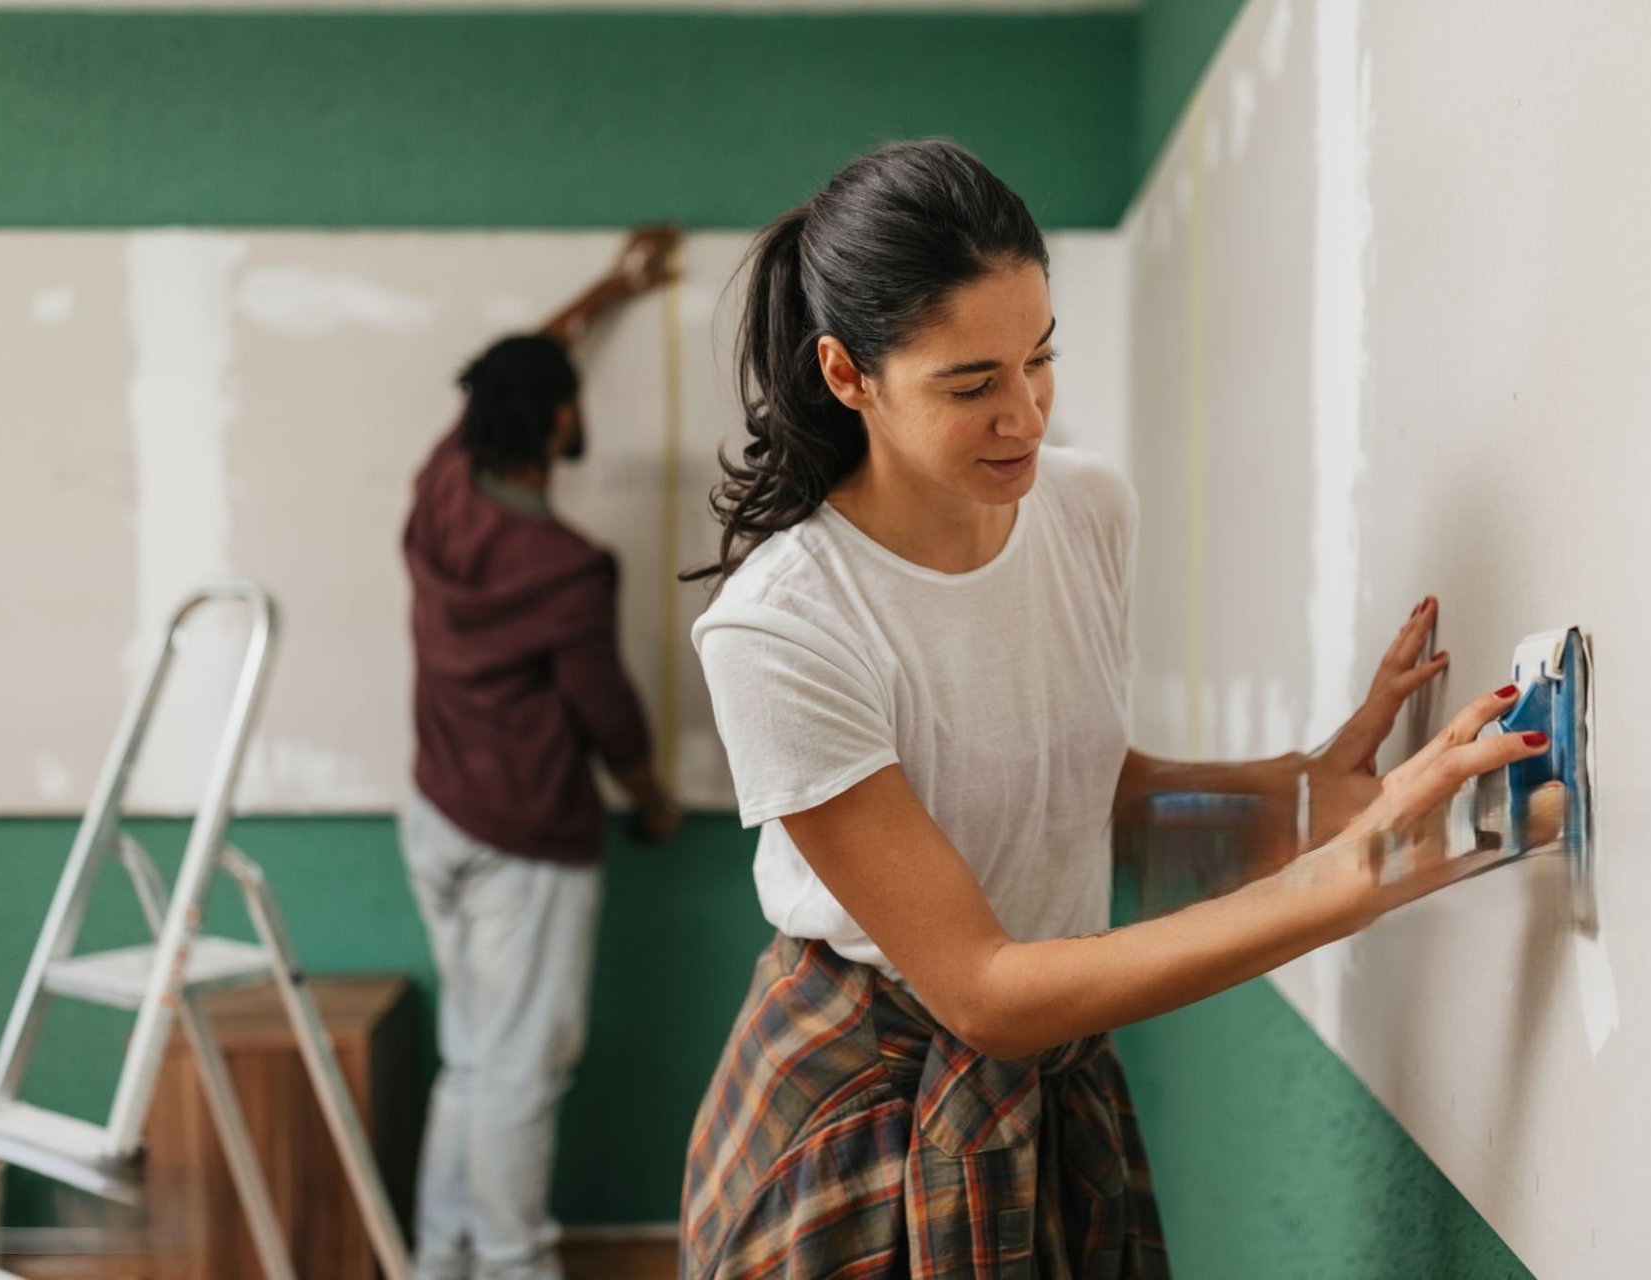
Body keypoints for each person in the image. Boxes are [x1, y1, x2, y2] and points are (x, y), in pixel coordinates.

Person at [678, 141, 1547, 1278]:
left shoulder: (1084, 508)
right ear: (849, 376)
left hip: (1054, 1076)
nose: (1025, 414)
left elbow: (1074, 783)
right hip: (871, 1110)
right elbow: (983, 989)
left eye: (1039, 359)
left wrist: (1302, 794)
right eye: (970, 383)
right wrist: (1338, 882)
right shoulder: (781, 625)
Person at [399, 227, 683, 1280]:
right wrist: (651, 794)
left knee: (472, 1063)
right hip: (522, 841)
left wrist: (611, 287)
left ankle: (444, 1261)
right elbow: (608, 713)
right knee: (519, 1071)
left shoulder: (440, 491)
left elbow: (523, 356)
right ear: (561, 416)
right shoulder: (566, 567)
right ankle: (515, 1265)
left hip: (432, 815)